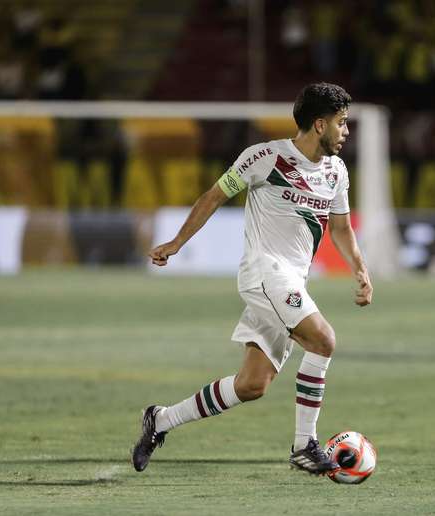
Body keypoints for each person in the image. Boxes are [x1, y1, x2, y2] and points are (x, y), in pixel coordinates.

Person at [131, 83, 373, 475]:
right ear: (319, 124)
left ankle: (159, 420)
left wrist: (360, 268)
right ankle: (303, 445)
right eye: (342, 124)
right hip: (265, 272)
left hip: (291, 281)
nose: (346, 132)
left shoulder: (336, 171)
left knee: (251, 385)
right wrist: (177, 242)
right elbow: (213, 195)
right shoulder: (266, 157)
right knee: (324, 339)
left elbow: (341, 227)